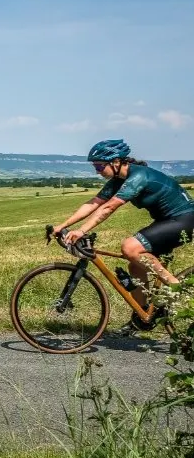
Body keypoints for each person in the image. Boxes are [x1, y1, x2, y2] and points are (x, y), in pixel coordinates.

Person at [55, 139, 194, 331]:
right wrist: (63, 225)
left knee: (130, 247)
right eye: (95, 166)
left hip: (183, 220)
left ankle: (175, 286)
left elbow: (109, 207)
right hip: (167, 221)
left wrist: (81, 231)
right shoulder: (119, 180)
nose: (97, 170)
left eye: (99, 165)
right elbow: (94, 203)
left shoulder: (138, 176)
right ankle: (143, 316)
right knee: (136, 267)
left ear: (116, 161)